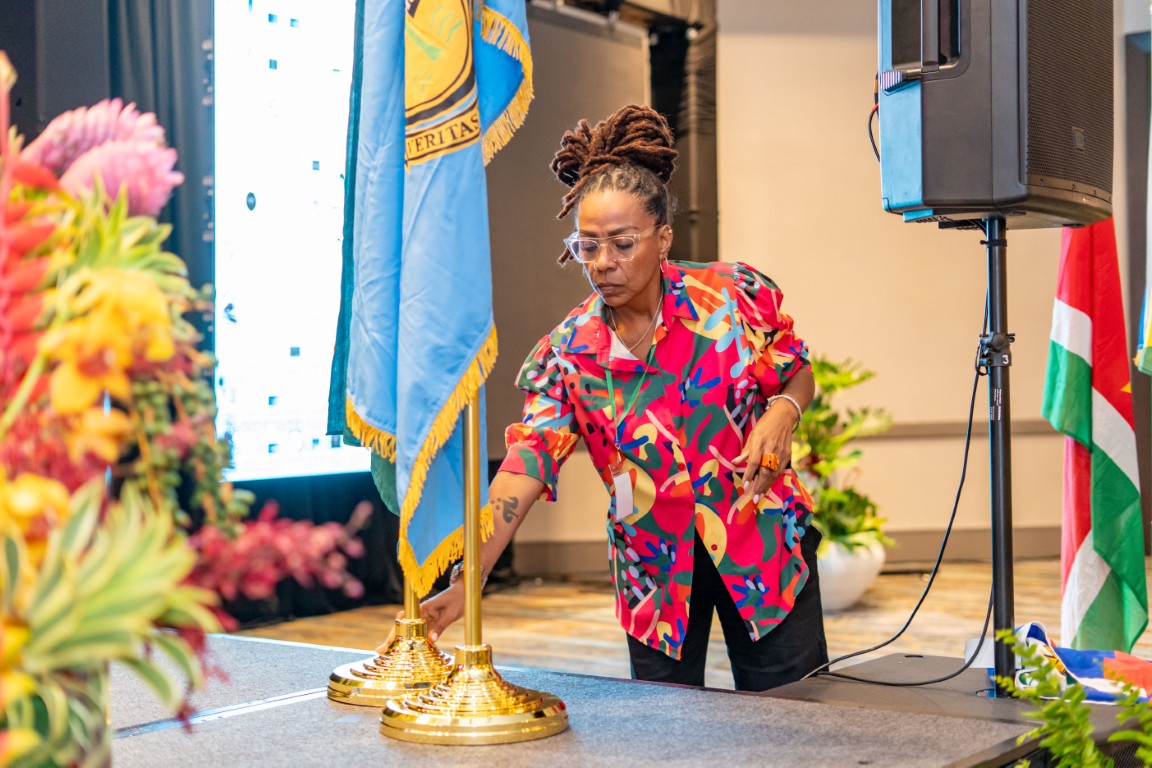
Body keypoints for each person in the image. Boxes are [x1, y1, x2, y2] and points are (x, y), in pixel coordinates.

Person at [384, 104, 828, 692]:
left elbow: (796, 370)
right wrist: (472, 578)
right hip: (654, 573)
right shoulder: (568, 353)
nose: (604, 264)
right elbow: (525, 464)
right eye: (588, 246)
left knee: (796, 716)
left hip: (762, 545)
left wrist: (783, 412)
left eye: (622, 243)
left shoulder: (731, 296)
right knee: (662, 725)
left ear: (663, 238)